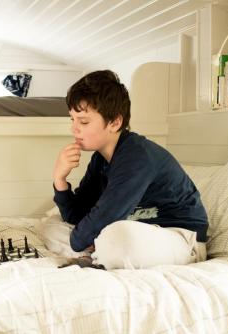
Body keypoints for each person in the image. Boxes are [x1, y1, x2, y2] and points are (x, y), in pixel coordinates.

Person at [52, 70, 208, 270]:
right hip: (139, 231)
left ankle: (100, 253)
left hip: (179, 237)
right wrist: (60, 178)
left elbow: (99, 220)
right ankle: (101, 252)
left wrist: (83, 238)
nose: (74, 129)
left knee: (115, 235)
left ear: (115, 122)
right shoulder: (100, 158)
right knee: (52, 226)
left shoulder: (137, 156)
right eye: (72, 119)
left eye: (83, 121)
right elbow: (76, 215)